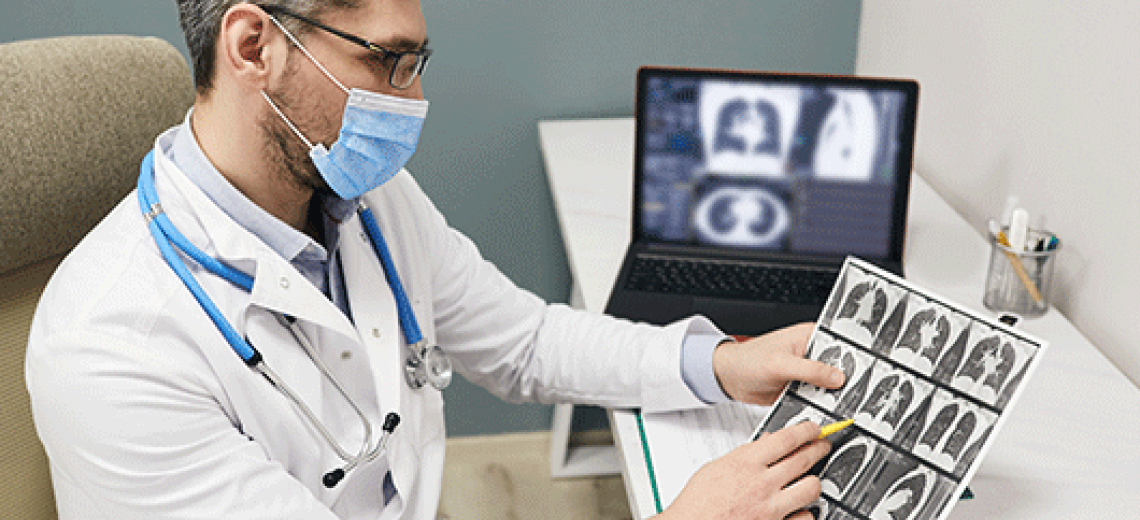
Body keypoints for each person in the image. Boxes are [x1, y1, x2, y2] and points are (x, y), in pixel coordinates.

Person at [25, 1, 846, 518]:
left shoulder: (368, 200)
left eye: (417, 63)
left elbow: (526, 344)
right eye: (387, 60)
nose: (412, 101)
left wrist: (721, 363)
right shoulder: (110, 348)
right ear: (253, 46)